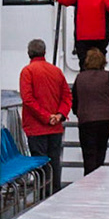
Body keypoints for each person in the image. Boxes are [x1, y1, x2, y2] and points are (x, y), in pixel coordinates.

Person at [17, 38, 71, 192]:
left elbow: (28, 99)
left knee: (40, 164)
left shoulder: (27, 72)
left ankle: (43, 195)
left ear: (29, 53)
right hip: (55, 127)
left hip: (36, 128)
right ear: (44, 52)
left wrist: (46, 117)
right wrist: (59, 115)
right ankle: (55, 192)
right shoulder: (56, 71)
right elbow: (67, 96)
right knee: (54, 162)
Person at [71, 46, 109, 176]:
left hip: (87, 119)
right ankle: (98, 178)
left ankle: (89, 181)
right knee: (101, 150)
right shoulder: (106, 76)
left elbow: (74, 99)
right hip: (106, 118)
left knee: (89, 153)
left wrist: (77, 112)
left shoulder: (80, 77)